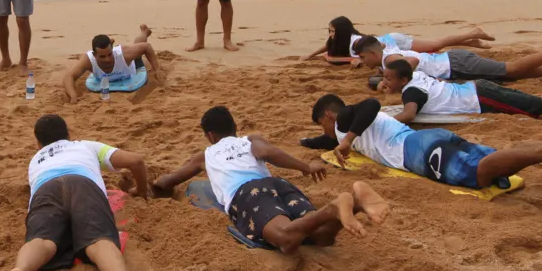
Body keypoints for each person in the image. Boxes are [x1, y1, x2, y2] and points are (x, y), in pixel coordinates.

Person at [150, 105, 389, 252]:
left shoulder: (206, 154)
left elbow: (169, 181)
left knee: (286, 239)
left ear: (210, 135)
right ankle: (354, 201)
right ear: (235, 127)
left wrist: (155, 184)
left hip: (247, 194)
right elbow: (268, 153)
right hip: (278, 185)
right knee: (322, 236)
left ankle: (335, 207)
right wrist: (305, 167)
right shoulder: (249, 139)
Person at [0, 114, 147, 271]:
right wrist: (141, 190)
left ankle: (21, 270)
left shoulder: (36, 159)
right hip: (83, 184)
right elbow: (135, 161)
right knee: (98, 239)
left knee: (42, 240)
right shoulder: (85, 146)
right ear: (68, 134)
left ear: (38, 143)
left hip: (46, 188)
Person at [310, 94, 542, 190]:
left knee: (478, 175)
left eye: (321, 123)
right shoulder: (336, 133)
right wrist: (323, 143)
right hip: (429, 140)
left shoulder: (344, 119)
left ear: (328, 114)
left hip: (416, 152)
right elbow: (316, 142)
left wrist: (348, 140)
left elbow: (371, 105)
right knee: (499, 159)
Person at [381, 59, 542, 122]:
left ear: (403, 80)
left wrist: (383, 120)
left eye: (389, 79)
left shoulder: (411, 93)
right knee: (538, 101)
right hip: (478, 87)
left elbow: (410, 114)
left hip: (481, 97)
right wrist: (387, 85)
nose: (385, 82)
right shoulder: (418, 76)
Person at [354, 36, 542, 84]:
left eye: (364, 57)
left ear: (374, 54)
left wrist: (395, 81)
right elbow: (385, 45)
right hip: (455, 64)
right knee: (514, 74)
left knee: (514, 67)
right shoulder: (386, 51)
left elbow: (410, 64)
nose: (363, 62)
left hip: (457, 65)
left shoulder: (390, 59)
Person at [303, 16, 495, 64]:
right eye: (329, 30)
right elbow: (326, 48)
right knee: (435, 46)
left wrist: (356, 59)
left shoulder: (355, 41)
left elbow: (381, 45)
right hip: (391, 40)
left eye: (333, 31)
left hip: (395, 41)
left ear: (343, 32)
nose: (330, 34)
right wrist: (309, 55)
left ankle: (473, 32)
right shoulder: (340, 41)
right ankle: (472, 41)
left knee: (437, 44)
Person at [62, 25, 164, 103]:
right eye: (102, 56)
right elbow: (69, 76)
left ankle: (144, 31)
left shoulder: (124, 54)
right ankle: (109, 43)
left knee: (137, 46)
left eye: (110, 54)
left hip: (131, 67)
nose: (107, 59)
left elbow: (146, 47)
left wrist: (157, 69)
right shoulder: (88, 59)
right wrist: (73, 95)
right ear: (94, 54)